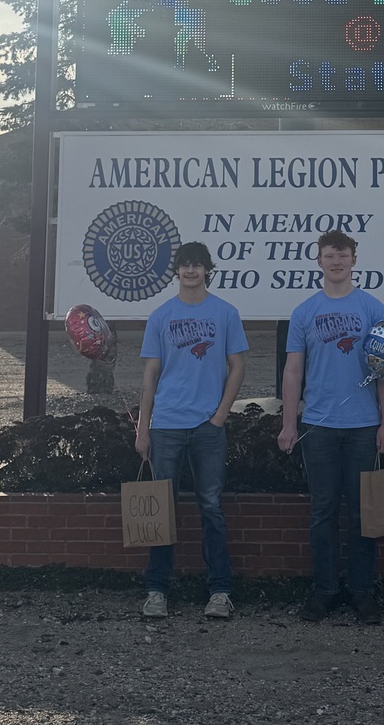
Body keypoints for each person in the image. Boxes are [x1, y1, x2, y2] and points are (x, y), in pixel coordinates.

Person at [277, 230, 384, 625]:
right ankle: (324, 591)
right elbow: (293, 370)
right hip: (319, 428)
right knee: (323, 512)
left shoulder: (373, 309)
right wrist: (289, 423)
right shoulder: (304, 312)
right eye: (329, 255)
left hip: (364, 427)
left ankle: (363, 593)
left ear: (354, 260)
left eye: (342, 255)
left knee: (364, 515)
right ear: (319, 261)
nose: (336, 262)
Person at [135, 241, 248, 620]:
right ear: (176, 271)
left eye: (198, 265)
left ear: (207, 270)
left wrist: (219, 416)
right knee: (160, 511)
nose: (191, 271)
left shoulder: (226, 313)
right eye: (185, 265)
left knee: (211, 508)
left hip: (207, 427)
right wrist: (143, 427)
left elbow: (238, 367)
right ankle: (156, 590)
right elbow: (150, 374)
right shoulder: (160, 316)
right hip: (166, 424)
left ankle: (220, 591)